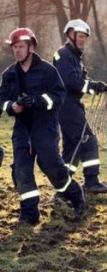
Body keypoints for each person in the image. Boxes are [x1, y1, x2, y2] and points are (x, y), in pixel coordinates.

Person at [0, 28, 85, 225]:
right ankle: (29, 215)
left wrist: (37, 101)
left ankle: (75, 195)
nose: (17, 51)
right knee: (21, 169)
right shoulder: (9, 74)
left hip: (44, 127)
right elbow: (2, 100)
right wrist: (12, 107)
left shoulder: (48, 71)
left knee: (51, 167)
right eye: (14, 47)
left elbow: (59, 96)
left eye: (21, 46)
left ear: (30, 47)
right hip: (22, 129)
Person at [53, 19, 107, 193]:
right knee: (88, 139)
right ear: (71, 35)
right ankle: (91, 182)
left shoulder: (74, 57)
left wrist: (100, 87)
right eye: (80, 36)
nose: (83, 40)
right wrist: (94, 87)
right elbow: (71, 81)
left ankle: (63, 185)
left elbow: (82, 80)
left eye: (85, 37)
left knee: (73, 146)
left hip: (70, 105)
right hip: (67, 106)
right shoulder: (63, 54)